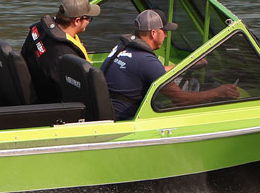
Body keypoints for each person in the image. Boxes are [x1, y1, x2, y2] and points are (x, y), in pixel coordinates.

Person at [102, 9, 238, 120]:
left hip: (107, 107)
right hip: (123, 118)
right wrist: (218, 92)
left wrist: (187, 66)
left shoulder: (122, 47)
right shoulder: (146, 60)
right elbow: (181, 100)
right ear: (154, 33)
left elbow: (149, 71)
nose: (166, 35)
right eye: (164, 31)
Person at [20, 0, 101, 103]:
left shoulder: (39, 29)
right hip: (52, 105)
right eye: (89, 18)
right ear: (77, 21)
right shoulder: (66, 56)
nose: (88, 22)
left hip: (37, 88)